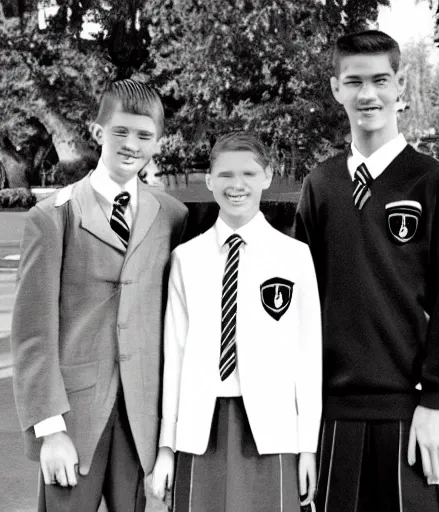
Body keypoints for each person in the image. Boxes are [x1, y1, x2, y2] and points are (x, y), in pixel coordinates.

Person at [294, 30, 439, 512]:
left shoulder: (433, 182)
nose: (367, 94)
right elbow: (303, 306)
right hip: (332, 414)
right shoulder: (321, 184)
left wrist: (434, 403)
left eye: (379, 80)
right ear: (336, 89)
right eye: (354, 81)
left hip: (408, 411)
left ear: (400, 85)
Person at [11, 79, 188, 512]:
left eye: (144, 135)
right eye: (120, 131)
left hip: (142, 420)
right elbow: (33, 334)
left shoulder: (172, 216)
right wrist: (49, 430)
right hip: (73, 420)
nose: (132, 144)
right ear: (97, 133)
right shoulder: (53, 217)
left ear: (158, 142)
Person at [151, 132, 322, 512]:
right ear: (209, 180)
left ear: (267, 176)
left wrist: (307, 446)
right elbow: (174, 357)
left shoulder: (294, 257)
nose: (237, 184)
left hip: (272, 430)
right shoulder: (186, 259)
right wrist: (167, 445)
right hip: (200, 428)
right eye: (225, 175)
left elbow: (308, 357)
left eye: (248, 172)